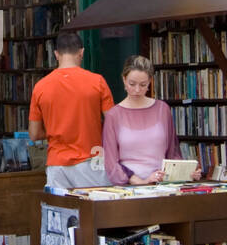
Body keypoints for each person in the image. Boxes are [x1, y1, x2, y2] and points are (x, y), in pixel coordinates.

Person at [28, 31, 114, 189]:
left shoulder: (40, 87)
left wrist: (57, 131)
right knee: (96, 211)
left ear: (56, 54)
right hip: (91, 160)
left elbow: (34, 134)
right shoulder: (97, 82)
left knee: (61, 211)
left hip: (57, 164)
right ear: (82, 52)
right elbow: (113, 123)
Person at [102, 55, 203, 185]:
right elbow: (111, 162)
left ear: (150, 81)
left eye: (143, 85)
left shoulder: (162, 109)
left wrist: (187, 172)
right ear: (124, 80)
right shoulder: (113, 115)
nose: (137, 90)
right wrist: (140, 181)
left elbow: (173, 153)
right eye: (132, 84)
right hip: (129, 187)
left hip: (161, 183)